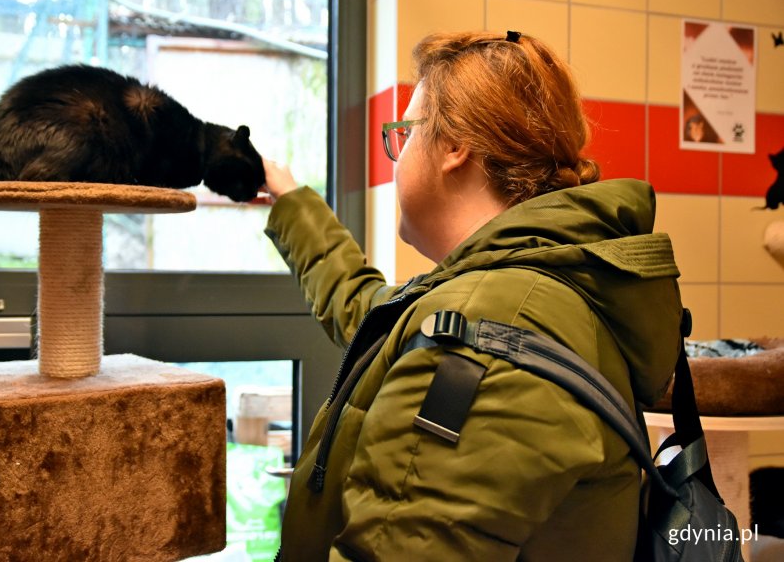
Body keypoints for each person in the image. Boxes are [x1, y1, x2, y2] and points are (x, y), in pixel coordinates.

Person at [261, 30, 683, 561]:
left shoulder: (490, 328)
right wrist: (293, 201)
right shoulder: (509, 291)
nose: (398, 158)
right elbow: (369, 312)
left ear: (455, 146)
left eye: (405, 134)